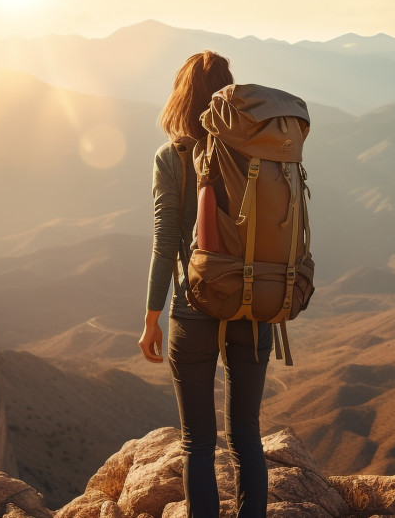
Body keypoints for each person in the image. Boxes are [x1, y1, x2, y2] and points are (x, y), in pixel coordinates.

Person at [138, 50, 273, 518]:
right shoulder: (259, 150)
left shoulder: (171, 156)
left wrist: (151, 317)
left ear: (181, 96)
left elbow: (164, 243)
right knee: (247, 435)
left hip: (193, 309)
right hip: (255, 304)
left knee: (198, 441)